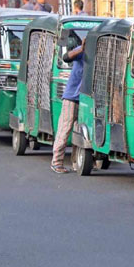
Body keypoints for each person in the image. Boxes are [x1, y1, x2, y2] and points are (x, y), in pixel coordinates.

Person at [51, 36, 85, 173]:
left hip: (86, 100)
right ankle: (56, 162)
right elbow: (66, 57)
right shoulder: (82, 51)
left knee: (81, 133)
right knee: (65, 129)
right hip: (72, 97)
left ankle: (77, 162)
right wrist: (82, 49)